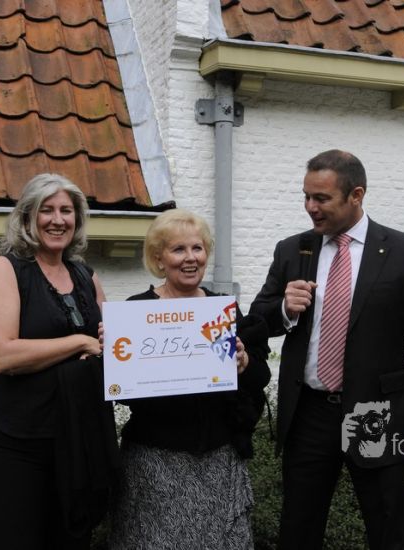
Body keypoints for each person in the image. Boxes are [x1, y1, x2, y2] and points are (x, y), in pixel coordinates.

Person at [250, 150, 404, 550]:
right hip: (309, 413)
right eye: (306, 196)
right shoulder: (292, 250)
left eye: (322, 198)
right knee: (298, 529)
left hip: (376, 413)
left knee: (388, 528)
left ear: (356, 195)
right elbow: (257, 321)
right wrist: (284, 309)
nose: (310, 207)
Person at [109, 209, 271, 550]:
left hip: (218, 460)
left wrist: (243, 362)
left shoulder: (221, 310)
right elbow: (122, 392)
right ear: (159, 258)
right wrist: (114, 354)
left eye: (197, 248)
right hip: (155, 462)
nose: (190, 258)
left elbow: (259, 376)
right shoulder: (137, 310)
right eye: (178, 249)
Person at [0, 173, 118, 549]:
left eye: (66, 211)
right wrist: (79, 341)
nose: (58, 220)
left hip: (77, 441)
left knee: (73, 541)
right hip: (17, 444)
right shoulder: (5, 269)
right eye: (46, 210)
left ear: (77, 219)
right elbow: (4, 355)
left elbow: (117, 348)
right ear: (27, 217)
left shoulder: (87, 275)